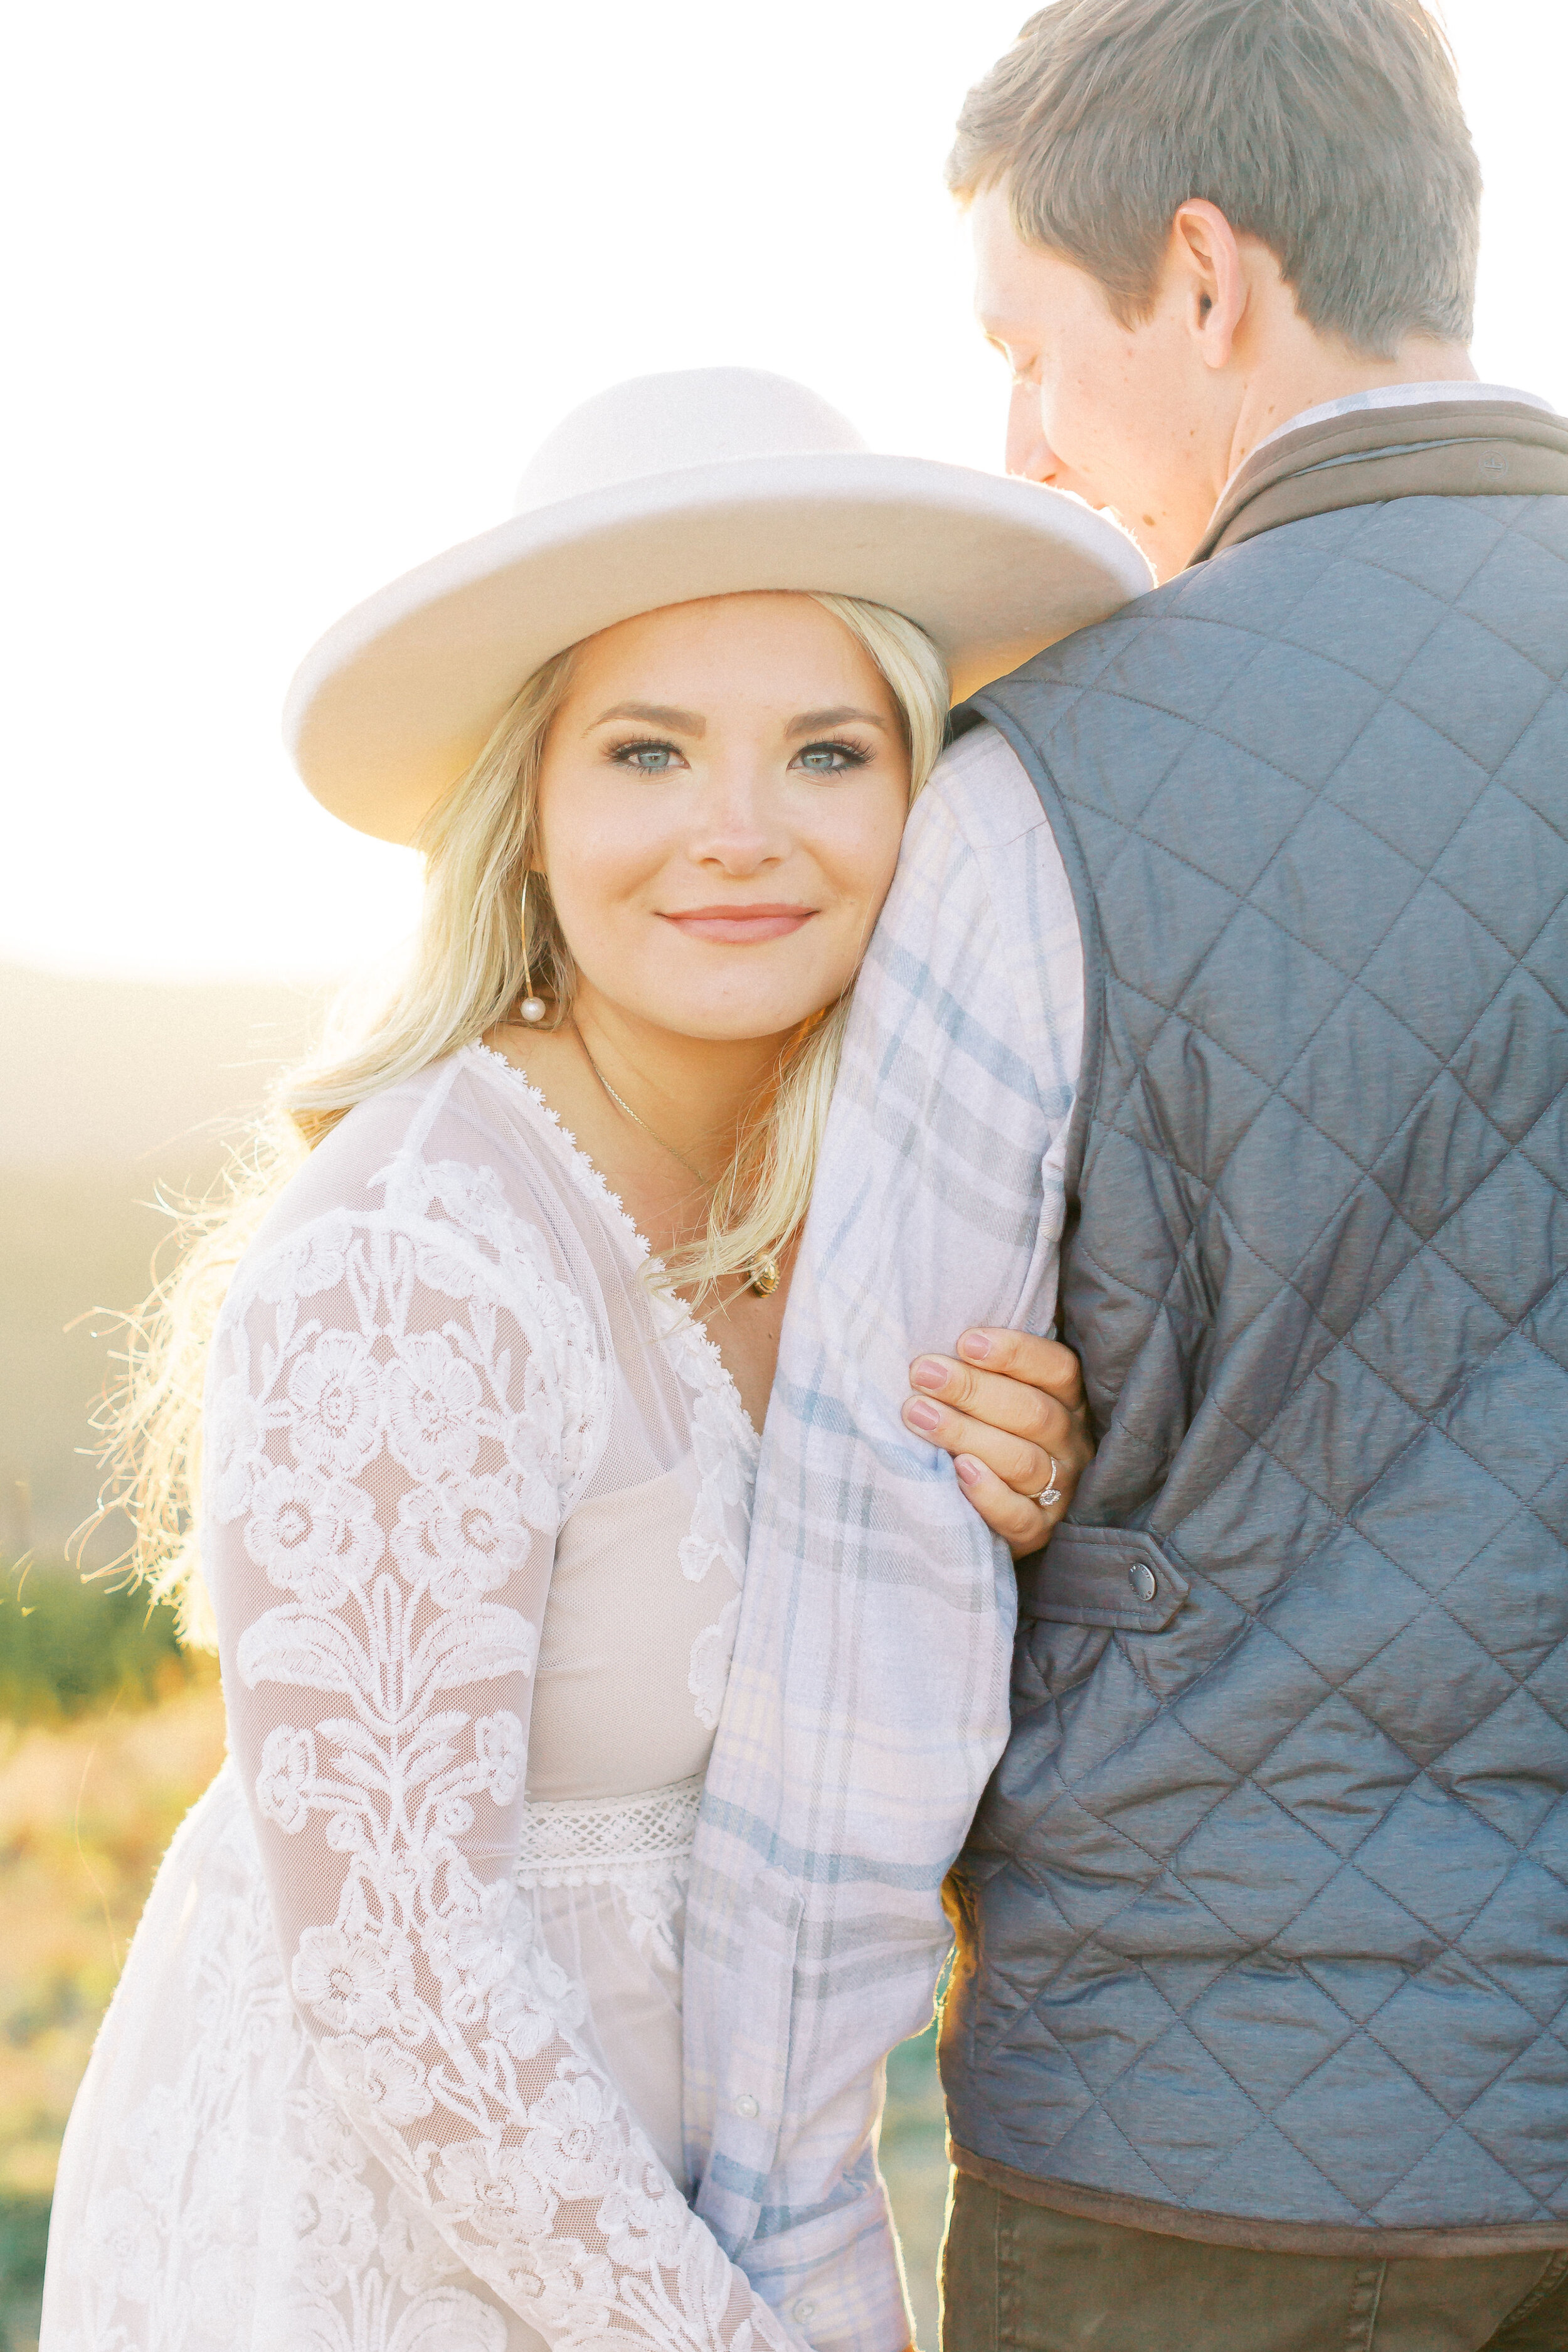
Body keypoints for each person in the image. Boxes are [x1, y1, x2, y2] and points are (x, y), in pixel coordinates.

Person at [39, 366, 1148, 2351]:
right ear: (528, 815)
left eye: (825, 753)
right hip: (406, 2247)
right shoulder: (412, 1262)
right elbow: (400, 1971)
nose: (739, 834)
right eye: (645, 754)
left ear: (923, 799)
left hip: (723, 2198)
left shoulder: (912, 1210)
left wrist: (1025, 1509)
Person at [683, 5, 1568, 2349]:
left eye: (1028, 349)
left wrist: (779, 2224)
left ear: (1202, 277)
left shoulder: (1038, 793)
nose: (1018, 443)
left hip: (1197, 2173)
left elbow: (871, 1570)